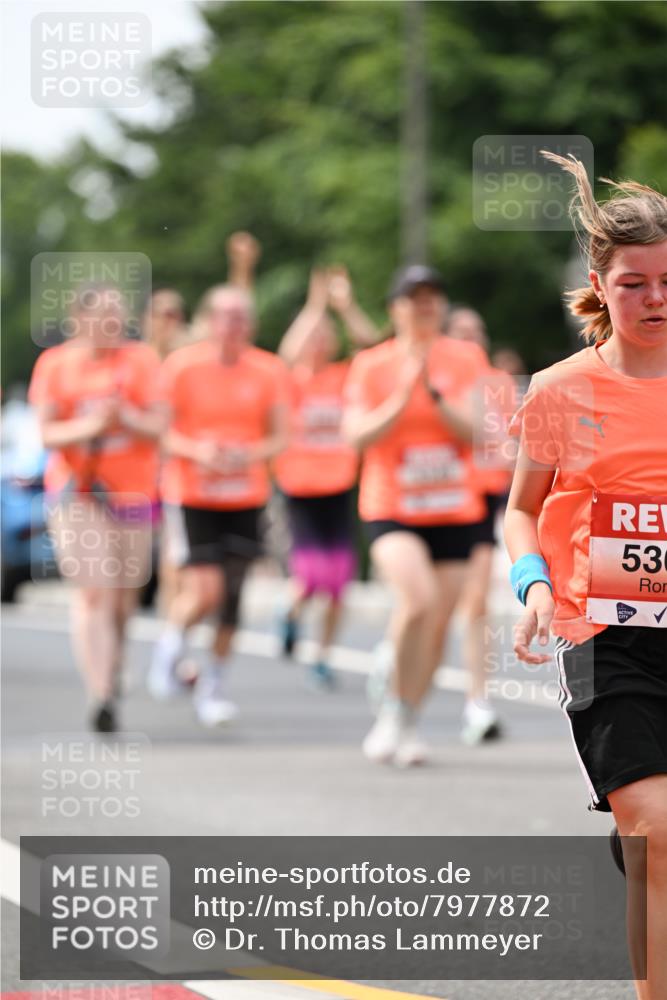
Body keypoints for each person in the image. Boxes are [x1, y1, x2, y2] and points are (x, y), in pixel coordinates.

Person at [505, 152, 667, 1000]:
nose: (654, 298)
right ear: (600, 286)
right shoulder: (560, 392)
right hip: (605, 631)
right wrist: (531, 588)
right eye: (633, 283)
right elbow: (520, 508)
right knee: (655, 827)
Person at [343, 264, 491, 766]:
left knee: (438, 622)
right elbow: (356, 436)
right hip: (392, 506)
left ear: (442, 306)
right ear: (395, 308)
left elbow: (478, 431)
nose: (424, 305)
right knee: (419, 599)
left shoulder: (467, 358)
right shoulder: (370, 364)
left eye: (432, 296)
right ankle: (391, 694)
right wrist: (401, 397)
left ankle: (405, 718)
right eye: (413, 297)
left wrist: (432, 396)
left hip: (454, 508)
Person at [147, 284, 288, 726]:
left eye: (241, 316)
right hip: (193, 494)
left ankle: (214, 687)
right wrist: (198, 452)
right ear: (208, 321)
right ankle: (169, 648)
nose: (233, 325)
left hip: (245, 495)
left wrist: (251, 453)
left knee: (231, 598)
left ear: (252, 325)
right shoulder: (182, 367)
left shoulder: (268, 370)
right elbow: (161, 433)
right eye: (224, 316)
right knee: (205, 590)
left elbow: (282, 435)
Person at [29, 282, 162, 732]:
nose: (112, 323)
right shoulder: (56, 365)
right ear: (79, 319)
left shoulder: (141, 361)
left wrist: (126, 418)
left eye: (117, 314)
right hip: (78, 491)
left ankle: (114, 663)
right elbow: (47, 435)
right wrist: (90, 425)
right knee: (93, 592)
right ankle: (100, 692)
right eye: (102, 314)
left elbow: (160, 425)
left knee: (124, 600)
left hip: (131, 495)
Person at [274, 267, 378, 686]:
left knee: (338, 582)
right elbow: (288, 351)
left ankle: (323, 654)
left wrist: (345, 306)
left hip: (338, 486)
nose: (317, 342)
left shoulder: (344, 377)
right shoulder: (291, 381)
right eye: (311, 337)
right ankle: (291, 612)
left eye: (323, 335)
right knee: (311, 576)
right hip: (300, 488)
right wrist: (315, 306)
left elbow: (372, 346)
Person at [445, 306, 519, 743]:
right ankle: (395, 662)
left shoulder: (499, 384)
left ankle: (478, 702)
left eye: (478, 332)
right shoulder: (434, 380)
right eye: (461, 333)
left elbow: (508, 440)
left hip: (481, 499)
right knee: (430, 606)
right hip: (429, 510)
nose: (471, 341)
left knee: (476, 603)